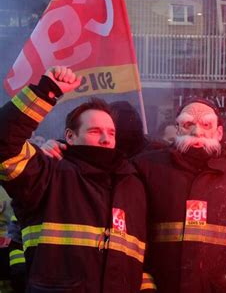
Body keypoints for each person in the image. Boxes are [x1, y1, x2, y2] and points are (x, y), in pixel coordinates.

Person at [0, 67, 152, 292]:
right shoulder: (47, 173)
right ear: (70, 136)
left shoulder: (132, 185)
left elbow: (140, 261)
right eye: (95, 131)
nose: (105, 139)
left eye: (111, 133)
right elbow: (4, 144)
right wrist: (45, 91)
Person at [133, 98, 226, 292]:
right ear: (177, 129)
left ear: (219, 132)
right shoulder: (147, 169)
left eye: (206, 125)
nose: (197, 132)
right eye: (188, 124)